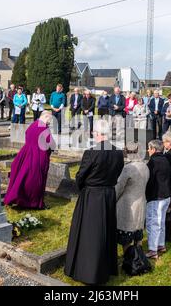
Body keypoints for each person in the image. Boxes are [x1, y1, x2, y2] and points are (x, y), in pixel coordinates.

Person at [65, 119, 125, 285]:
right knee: (105, 230)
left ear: (97, 133)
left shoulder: (91, 152)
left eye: (93, 132)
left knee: (90, 233)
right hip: (108, 194)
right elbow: (118, 173)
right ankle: (106, 267)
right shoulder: (118, 152)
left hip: (92, 195)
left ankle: (88, 272)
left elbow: (80, 176)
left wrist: (84, 187)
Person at [4, 111, 55, 209]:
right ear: (46, 116)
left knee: (24, 176)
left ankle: (20, 198)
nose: (50, 121)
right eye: (50, 118)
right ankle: (33, 202)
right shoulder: (44, 128)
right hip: (38, 155)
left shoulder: (33, 124)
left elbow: (27, 135)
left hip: (26, 153)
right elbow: (51, 143)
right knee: (35, 179)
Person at [115, 145, 150, 254]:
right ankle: (138, 256)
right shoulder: (145, 166)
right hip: (141, 201)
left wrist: (112, 198)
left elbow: (119, 187)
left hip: (128, 204)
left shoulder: (128, 169)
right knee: (137, 232)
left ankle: (128, 259)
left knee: (126, 233)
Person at [145, 140, 171, 260]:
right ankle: (161, 245)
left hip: (157, 196)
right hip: (166, 195)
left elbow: (149, 179)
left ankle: (153, 250)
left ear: (154, 149)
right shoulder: (165, 159)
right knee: (161, 222)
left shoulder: (153, 161)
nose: (148, 151)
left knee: (153, 223)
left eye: (149, 148)